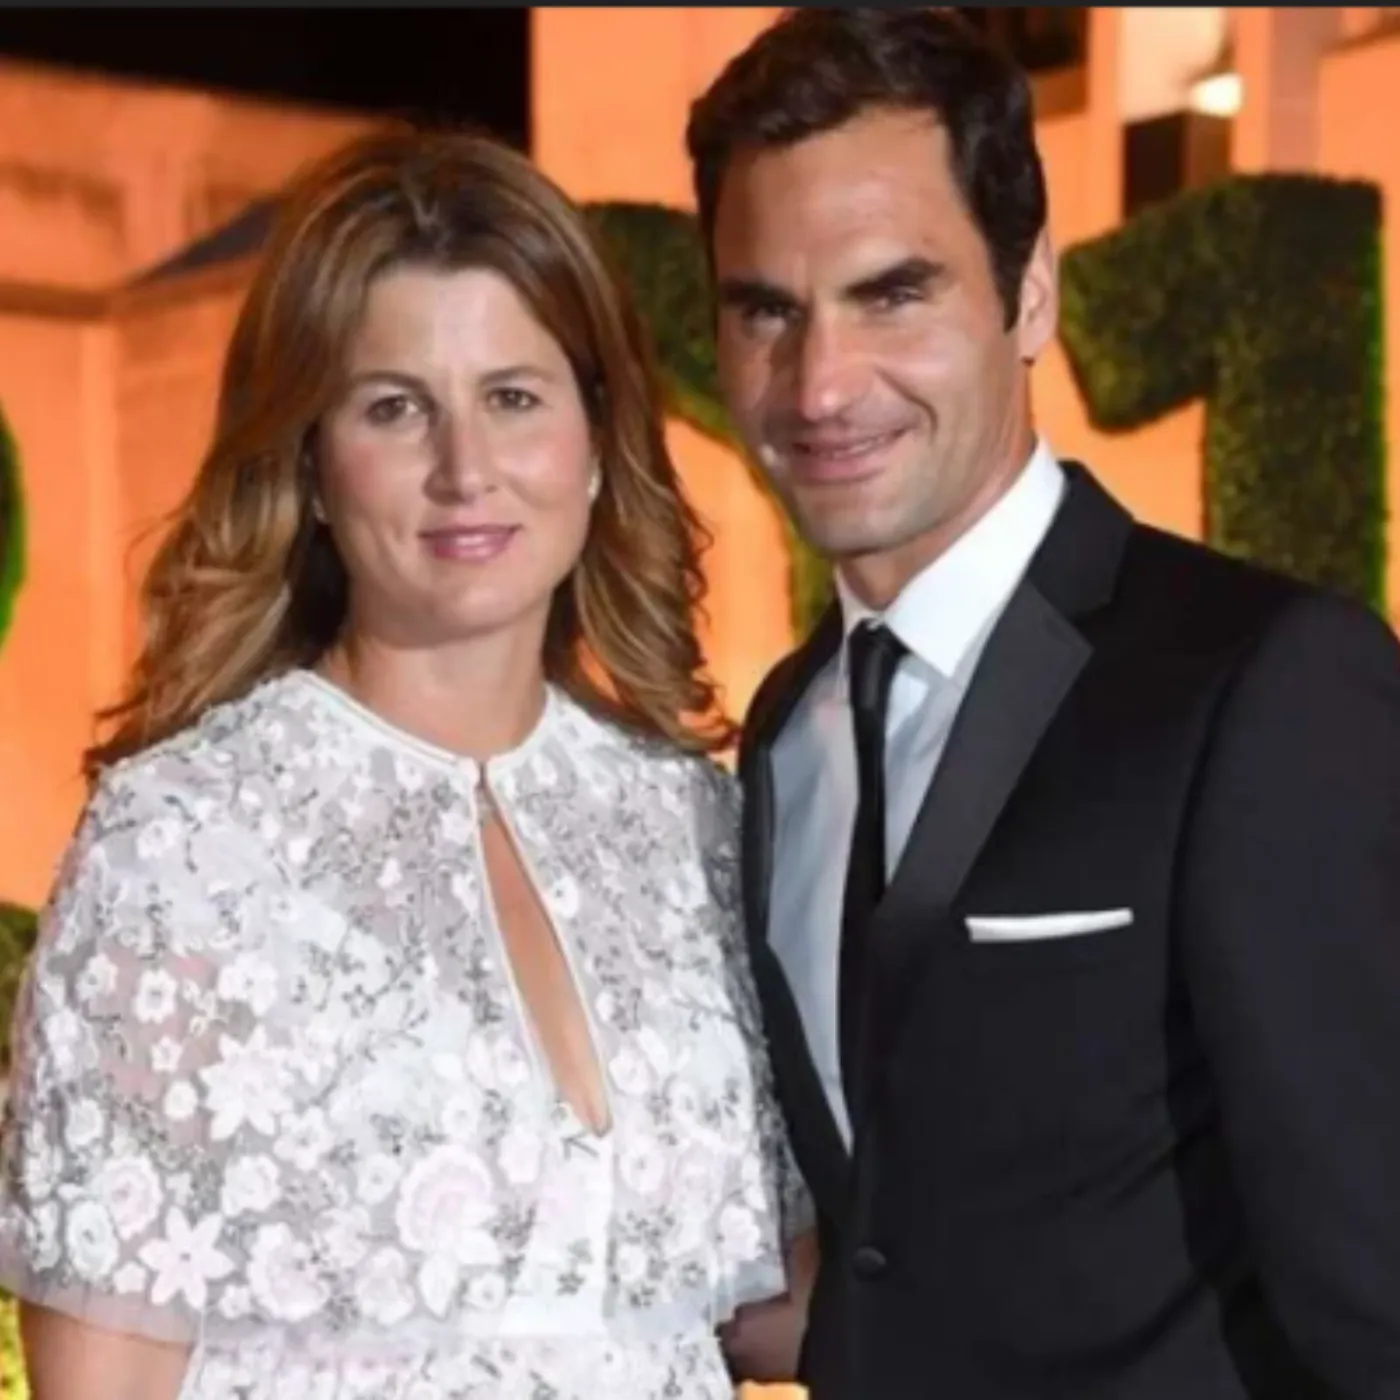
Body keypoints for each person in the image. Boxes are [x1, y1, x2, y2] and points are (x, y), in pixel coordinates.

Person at [0, 126, 813, 1400]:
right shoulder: (184, 842)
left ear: (598, 441)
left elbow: (781, 1301)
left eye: (513, 396)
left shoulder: (693, 826)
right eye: (394, 407)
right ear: (313, 466)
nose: (464, 469)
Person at [686, 8, 1400, 1397]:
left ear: (1029, 297)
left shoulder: (1264, 684)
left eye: (892, 294)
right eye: (766, 309)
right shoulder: (781, 731)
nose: (819, 384)